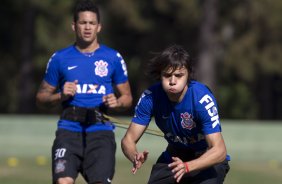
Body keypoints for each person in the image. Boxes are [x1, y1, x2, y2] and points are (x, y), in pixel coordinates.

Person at [36, 1, 132, 184]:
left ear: (99, 27)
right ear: (74, 26)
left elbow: (127, 98)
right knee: (62, 181)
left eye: (92, 23)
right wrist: (60, 95)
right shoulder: (59, 58)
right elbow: (41, 98)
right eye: (83, 23)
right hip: (68, 130)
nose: (87, 27)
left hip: (100, 132)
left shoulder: (112, 57)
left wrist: (117, 102)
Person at [121, 44, 230, 184]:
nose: (172, 81)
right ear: (160, 75)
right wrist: (134, 156)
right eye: (167, 75)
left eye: (178, 75)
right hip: (174, 156)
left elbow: (219, 151)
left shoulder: (201, 99)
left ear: (188, 75)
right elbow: (128, 140)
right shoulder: (150, 97)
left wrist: (187, 166)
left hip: (206, 158)